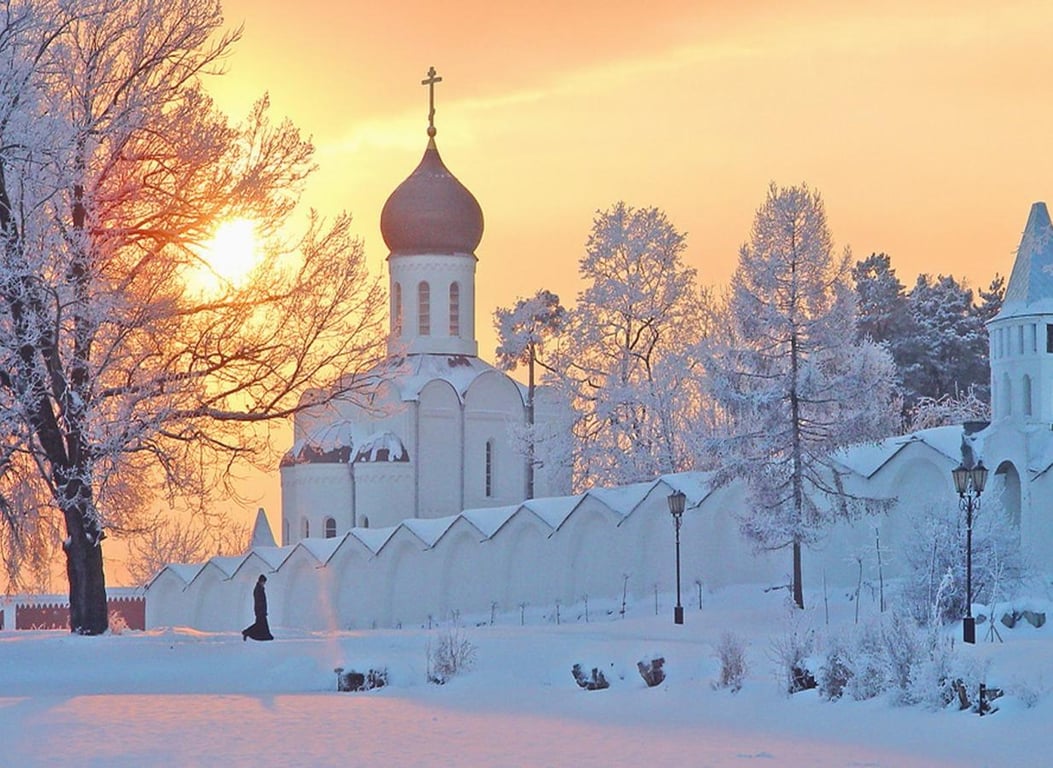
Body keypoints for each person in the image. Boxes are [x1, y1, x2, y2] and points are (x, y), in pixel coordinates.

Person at [242, 574, 274, 641]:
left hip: (260, 610)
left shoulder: (259, 588)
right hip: (260, 610)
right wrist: (261, 610)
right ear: (261, 581)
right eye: (263, 582)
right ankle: (247, 632)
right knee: (260, 624)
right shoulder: (258, 589)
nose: (264, 583)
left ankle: (247, 632)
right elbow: (259, 601)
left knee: (259, 624)